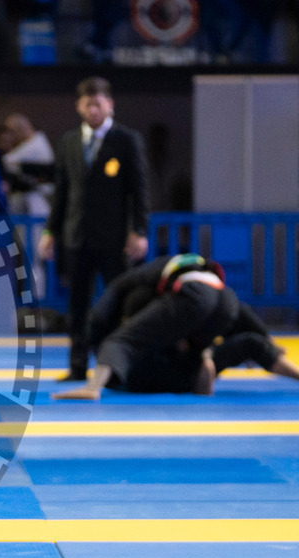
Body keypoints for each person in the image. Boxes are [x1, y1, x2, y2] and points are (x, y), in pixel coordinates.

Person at [54, 254, 299, 400]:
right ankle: (205, 357)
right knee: (252, 344)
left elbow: (118, 290)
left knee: (120, 341)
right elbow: (241, 311)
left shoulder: (150, 279)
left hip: (192, 300)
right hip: (226, 302)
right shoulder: (208, 275)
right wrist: (266, 337)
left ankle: (92, 388)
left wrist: (94, 325)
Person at [39, 76, 150, 381]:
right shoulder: (69, 141)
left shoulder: (126, 140)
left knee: (119, 303)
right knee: (76, 305)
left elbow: (139, 191)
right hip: (76, 237)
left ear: (110, 104)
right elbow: (61, 193)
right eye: (88, 104)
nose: (93, 109)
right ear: (79, 106)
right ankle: (77, 366)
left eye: (98, 103)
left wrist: (139, 230)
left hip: (115, 239)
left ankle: (114, 367)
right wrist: (50, 232)